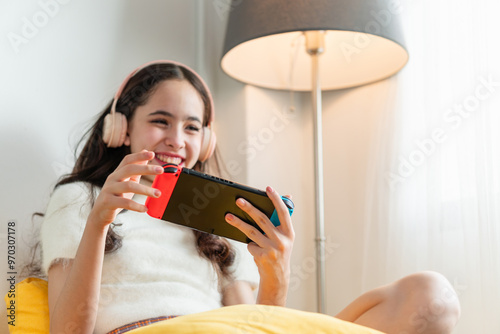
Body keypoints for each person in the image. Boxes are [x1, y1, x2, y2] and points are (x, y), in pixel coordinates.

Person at [40, 60, 460, 334]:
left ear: (206, 141)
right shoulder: (80, 198)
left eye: (191, 127)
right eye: (160, 121)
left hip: (227, 328)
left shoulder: (216, 218)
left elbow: (257, 323)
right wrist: (99, 222)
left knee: (430, 298)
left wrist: (275, 272)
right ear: (121, 129)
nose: (175, 139)